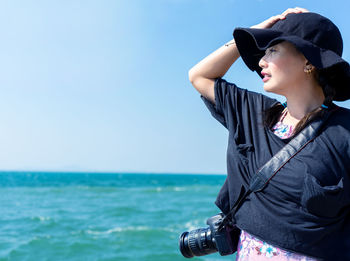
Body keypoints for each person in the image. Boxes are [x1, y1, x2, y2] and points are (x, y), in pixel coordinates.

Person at [189, 7, 350, 261]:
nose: (261, 61)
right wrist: (264, 26)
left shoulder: (344, 132)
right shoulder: (254, 113)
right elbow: (199, 75)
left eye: (273, 50)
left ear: (308, 61)